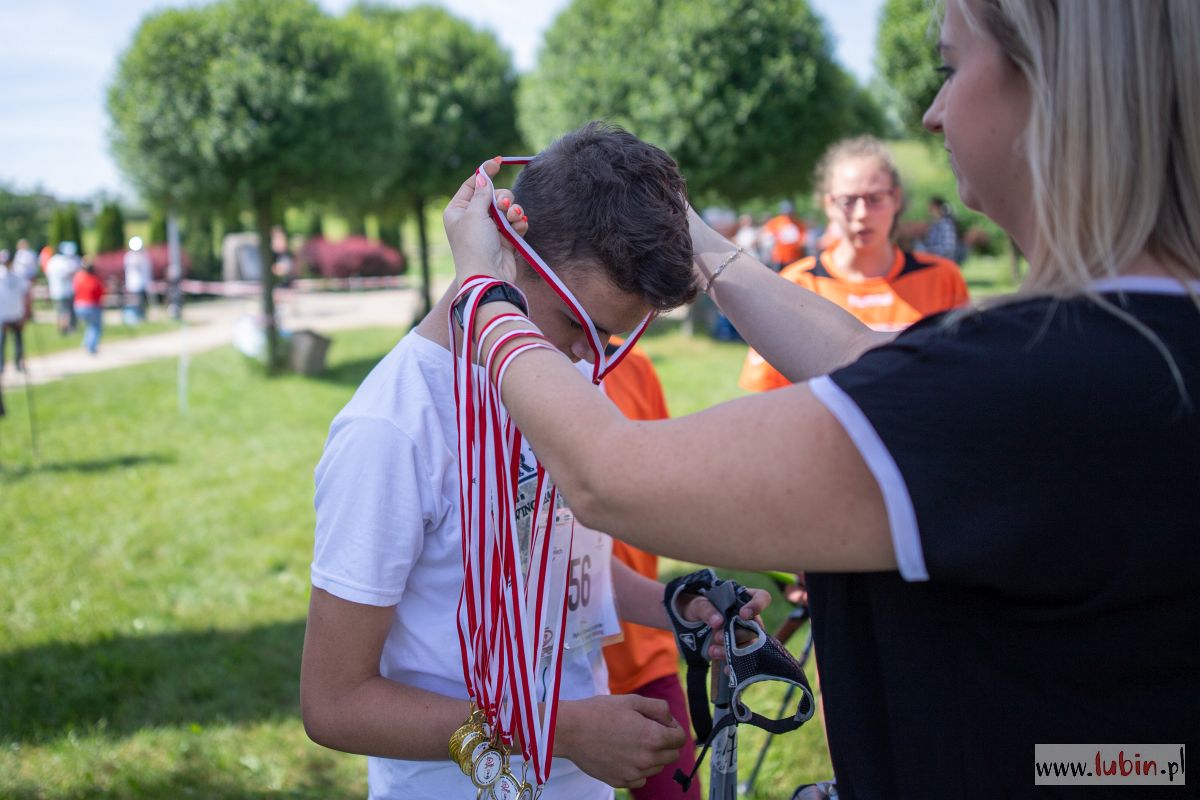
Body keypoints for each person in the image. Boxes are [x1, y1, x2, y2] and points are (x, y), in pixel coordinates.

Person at [441, 2, 1200, 797]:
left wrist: (488, 295)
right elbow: (866, 362)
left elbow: (609, 476)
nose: (933, 112)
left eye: (950, 68)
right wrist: (691, 234)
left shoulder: (1023, 387)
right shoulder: (1132, 350)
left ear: (1051, 86)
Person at [300, 122, 768, 800]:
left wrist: (673, 605)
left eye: (610, 338)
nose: (589, 357)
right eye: (580, 323)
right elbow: (335, 702)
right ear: (506, 249)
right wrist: (559, 732)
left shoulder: (555, 375)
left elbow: (549, 563)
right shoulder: (393, 429)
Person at [740, 136, 969, 392]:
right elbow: (767, 395)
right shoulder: (796, 283)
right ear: (829, 205)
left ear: (896, 199)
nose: (861, 214)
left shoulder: (941, 278)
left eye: (874, 199)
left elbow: (962, 378)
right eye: (848, 201)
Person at [599, 343, 700, 800]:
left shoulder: (634, 367)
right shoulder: (503, 376)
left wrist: (682, 607)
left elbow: (665, 494)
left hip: (641, 647)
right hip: (552, 671)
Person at [0, 250, 28, 375]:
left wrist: (25, 313)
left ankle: (18, 364)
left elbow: (24, 293)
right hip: (3, 315)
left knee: (18, 341)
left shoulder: (18, 275)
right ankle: (1, 366)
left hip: (17, 313)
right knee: (2, 342)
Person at [761, 201, 807, 271]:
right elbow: (767, 234)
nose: (788, 215)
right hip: (779, 258)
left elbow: (802, 239)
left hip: (794, 257)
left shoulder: (798, 224)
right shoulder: (776, 222)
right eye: (786, 213)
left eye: (790, 213)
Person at [45, 241, 80, 335]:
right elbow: (68, 272)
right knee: (65, 312)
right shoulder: (61, 261)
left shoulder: (51, 261)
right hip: (65, 290)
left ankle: (61, 329)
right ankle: (65, 330)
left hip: (55, 290)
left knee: (60, 311)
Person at [72, 259, 105, 355]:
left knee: (89, 326)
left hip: (78, 306)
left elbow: (74, 289)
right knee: (95, 327)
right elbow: (99, 294)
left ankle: (85, 343)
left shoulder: (78, 277)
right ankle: (91, 347)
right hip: (91, 306)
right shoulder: (94, 280)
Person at [918, 195, 963, 263]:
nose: (929, 210)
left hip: (942, 261)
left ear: (937, 207)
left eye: (931, 207)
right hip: (932, 257)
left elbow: (947, 248)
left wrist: (928, 252)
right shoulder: (934, 224)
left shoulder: (946, 224)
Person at [123, 236, 152, 324]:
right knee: (135, 303)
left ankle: (141, 317)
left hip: (142, 284)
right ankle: (135, 318)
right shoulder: (129, 257)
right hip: (133, 285)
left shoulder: (144, 256)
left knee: (142, 303)